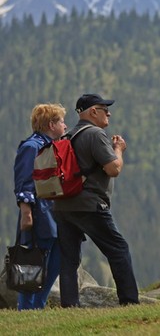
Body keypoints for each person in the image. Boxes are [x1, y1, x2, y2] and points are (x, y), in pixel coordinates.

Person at [54, 93, 139, 307]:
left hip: (64, 205)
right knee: (118, 249)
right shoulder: (95, 134)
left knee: (69, 259)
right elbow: (113, 168)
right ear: (93, 111)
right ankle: (129, 301)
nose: (108, 113)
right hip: (89, 204)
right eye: (104, 108)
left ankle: (69, 306)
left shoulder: (67, 136)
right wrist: (118, 150)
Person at [11, 103, 68, 310]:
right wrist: (26, 212)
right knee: (33, 262)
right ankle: (26, 307)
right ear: (51, 124)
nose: (65, 125)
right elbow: (24, 181)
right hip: (39, 212)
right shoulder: (31, 146)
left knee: (55, 260)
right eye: (61, 121)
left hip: (54, 212)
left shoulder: (54, 146)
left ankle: (39, 305)